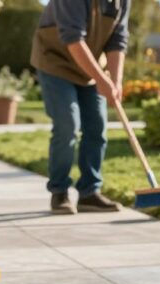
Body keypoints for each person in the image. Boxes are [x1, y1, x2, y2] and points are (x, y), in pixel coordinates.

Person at [30, 0, 129, 214]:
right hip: (55, 61)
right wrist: (102, 80)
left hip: (90, 67)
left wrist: (115, 82)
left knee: (97, 126)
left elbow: (117, 40)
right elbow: (73, 38)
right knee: (67, 123)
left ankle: (89, 193)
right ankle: (59, 191)